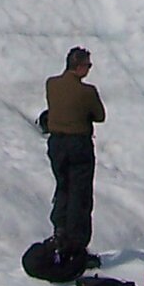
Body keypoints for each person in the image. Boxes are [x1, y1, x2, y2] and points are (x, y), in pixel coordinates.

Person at [41, 45, 105, 256]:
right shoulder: (87, 92)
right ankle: (77, 244)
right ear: (79, 67)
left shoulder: (51, 84)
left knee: (63, 188)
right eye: (88, 65)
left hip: (56, 144)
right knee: (80, 195)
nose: (89, 69)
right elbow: (99, 115)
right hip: (78, 145)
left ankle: (59, 232)